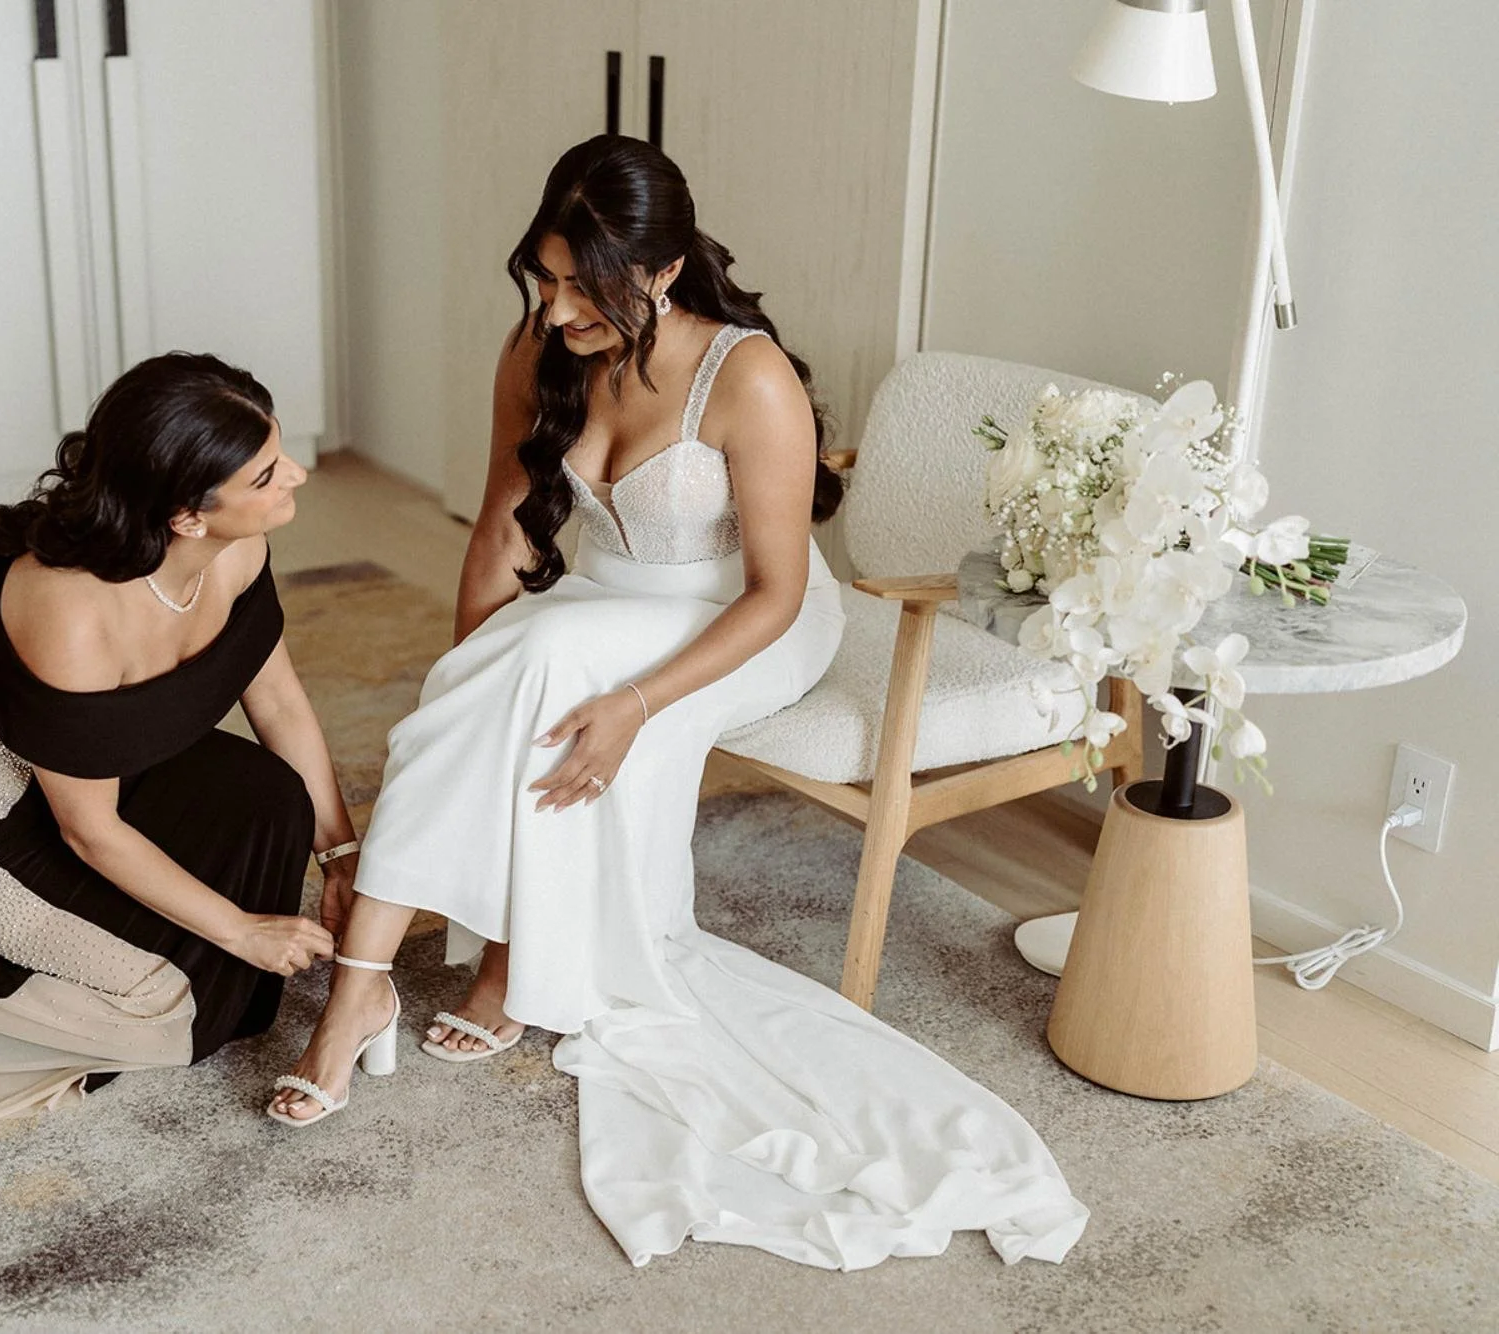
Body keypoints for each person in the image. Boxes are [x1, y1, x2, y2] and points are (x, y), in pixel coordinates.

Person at [270, 136, 1088, 1271]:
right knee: (523, 671)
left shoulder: (744, 375)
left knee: (559, 669)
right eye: (544, 279)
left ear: (658, 268)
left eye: (579, 284)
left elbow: (777, 589)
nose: (554, 311)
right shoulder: (536, 351)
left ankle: (403, 982)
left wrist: (635, 702)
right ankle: (393, 984)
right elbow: (503, 528)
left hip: (741, 622)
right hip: (597, 609)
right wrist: (469, 685)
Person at [0, 352, 368, 1133]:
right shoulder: (70, 612)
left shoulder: (237, 550)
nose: (294, 475)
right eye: (265, 475)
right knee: (168, 1014)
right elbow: (88, 831)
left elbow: (281, 704)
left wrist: (341, 856)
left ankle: (185, 949)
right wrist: (241, 929)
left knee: (273, 802)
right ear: (187, 516)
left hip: (114, 772)